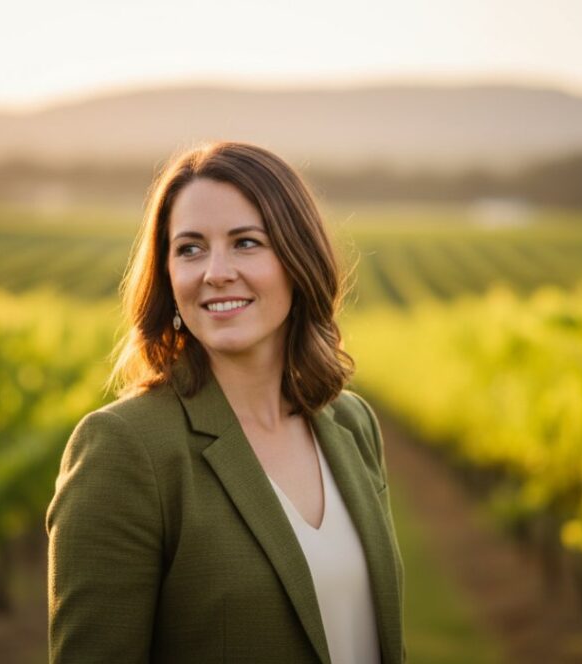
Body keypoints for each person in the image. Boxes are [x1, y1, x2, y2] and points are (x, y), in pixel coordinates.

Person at [46, 141, 405, 663]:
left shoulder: (353, 423)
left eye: (246, 243)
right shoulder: (124, 449)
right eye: (190, 249)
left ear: (298, 259)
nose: (215, 271)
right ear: (168, 276)